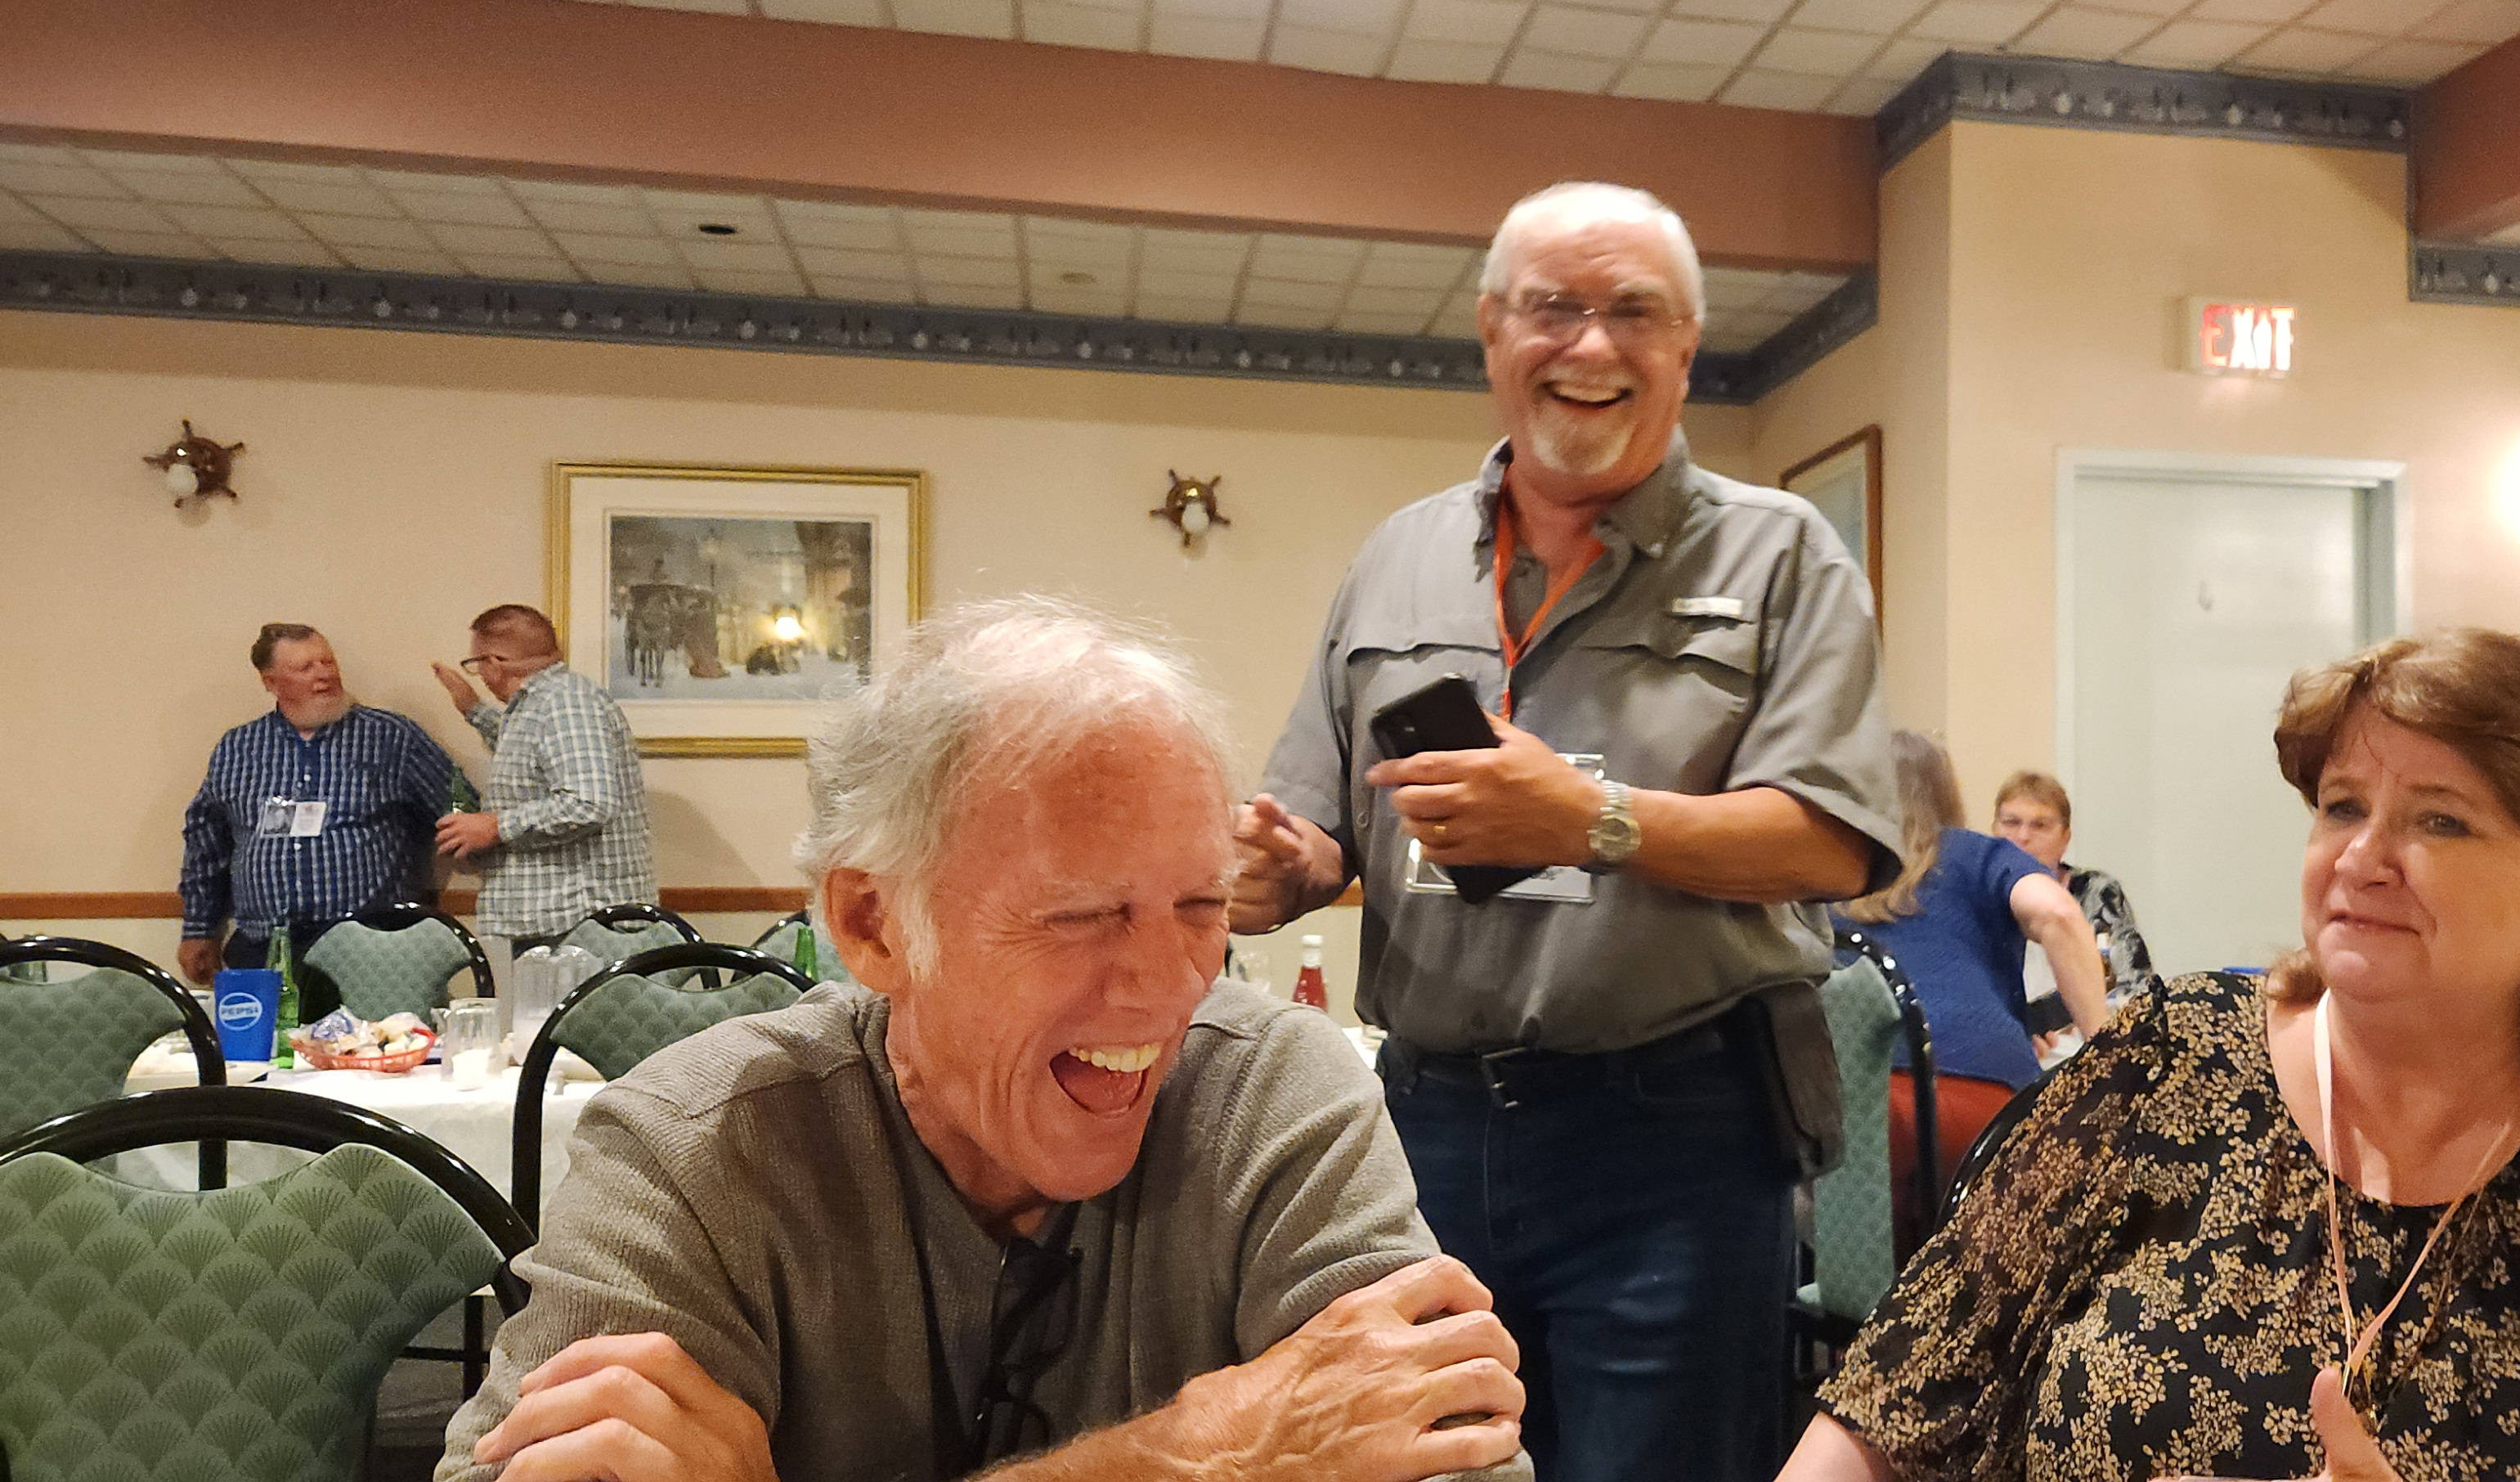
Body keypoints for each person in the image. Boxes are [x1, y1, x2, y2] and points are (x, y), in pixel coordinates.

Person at [442, 595, 1527, 1482]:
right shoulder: (693, 1147)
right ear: (873, 924)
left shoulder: (1274, 1094)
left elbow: (1450, 1456)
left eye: (1203, 903)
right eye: (1083, 912)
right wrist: (1204, 1453)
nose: (1171, 983)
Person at [1785, 628, 2520, 1482]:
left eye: (2442, 821)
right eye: (2342, 806)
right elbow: (1888, 1404)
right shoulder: (2171, 1063)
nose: (2362, 857)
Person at [1235, 181, 1902, 1482]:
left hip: (1676, 1137)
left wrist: (1592, 819)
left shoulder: (1783, 556)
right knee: (1428, 1465)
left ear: (1685, 348)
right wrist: (1285, 867)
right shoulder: (1398, 556)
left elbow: (1832, 841)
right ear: (1493, 332)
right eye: (1552, 308)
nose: (1589, 346)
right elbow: (1321, 817)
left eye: (1632, 313)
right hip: (1423, 1126)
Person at [1836, 734, 2106, 1228]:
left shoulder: (1829, 867)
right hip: (1982, 1107)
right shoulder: (1977, 854)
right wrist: (2110, 1056)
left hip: (1853, 1109)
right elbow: (2059, 916)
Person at [176, 623, 456, 992]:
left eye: (327, 661)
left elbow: (457, 809)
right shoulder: (237, 747)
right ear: (271, 682)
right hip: (267, 948)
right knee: (267, 1050)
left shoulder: (391, 736)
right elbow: (206, 843)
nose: (324, 674)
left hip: (371, 948)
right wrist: (199, 928)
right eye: (306, 667)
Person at [432, 604, 654, 951]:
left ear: (495, 662)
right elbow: (529, 762)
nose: (482, 675)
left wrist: (495, 827)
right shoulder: (544, 703)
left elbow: (588, 803)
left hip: (579, 929)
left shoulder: (566, 703)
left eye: (477, 665)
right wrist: (473, 710)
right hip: (559, 924)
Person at [1989, 769, 2159, 1010]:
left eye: (2040, 825)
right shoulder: (1975, 896)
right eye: (2011, 823)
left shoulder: (2098, 894)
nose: (2023, 836)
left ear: (2065, 839)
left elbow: (2136, 989)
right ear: (1994, 830)